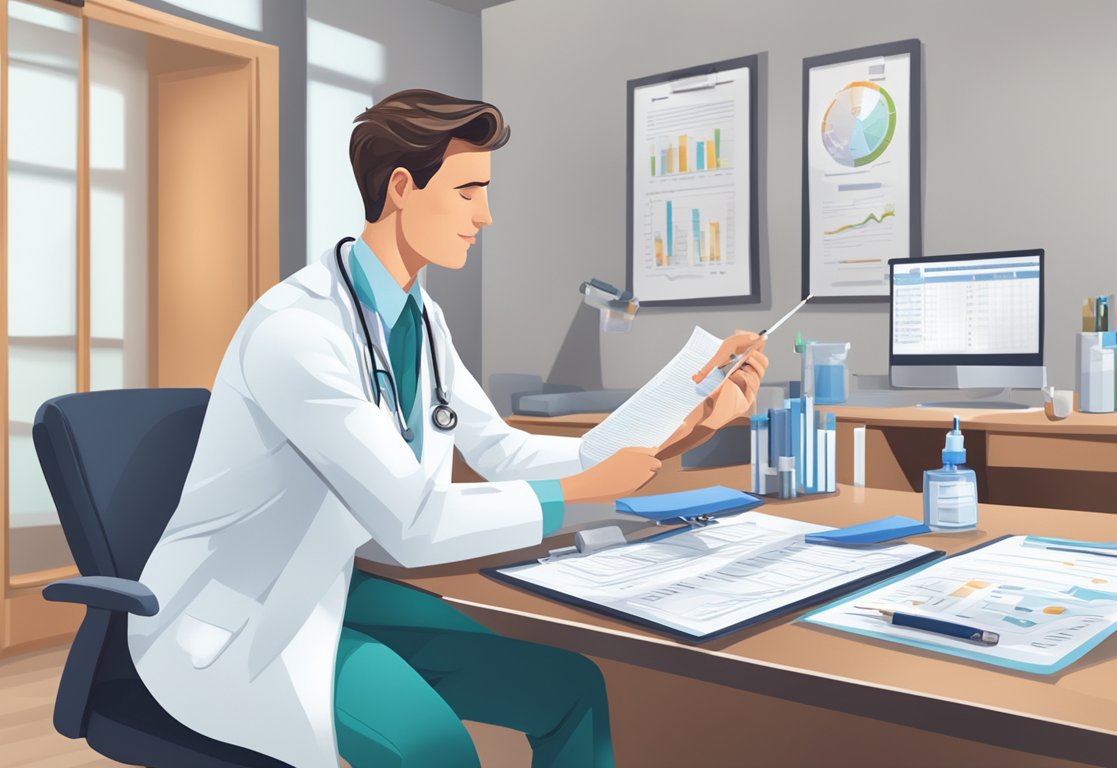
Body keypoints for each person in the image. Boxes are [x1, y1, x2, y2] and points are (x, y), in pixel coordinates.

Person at [126, 89, 767, 768]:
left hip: (337, 588)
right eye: (468, 192)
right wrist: (580, 491)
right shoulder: (297, 332)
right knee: (438, 752)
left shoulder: (423, 322)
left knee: (571, 688)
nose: (485, 216)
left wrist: (685, 427)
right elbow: (415, 523)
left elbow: (504, 452)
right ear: (402, 188)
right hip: (245, 621)